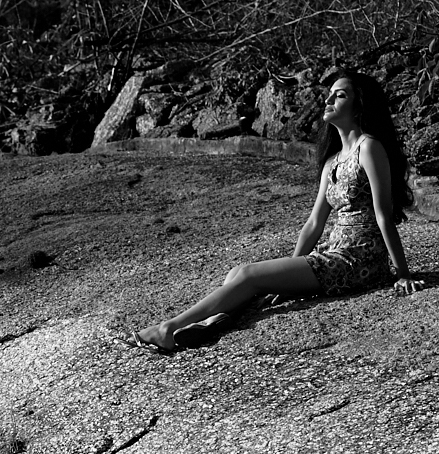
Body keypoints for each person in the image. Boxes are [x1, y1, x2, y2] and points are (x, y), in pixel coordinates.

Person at [132, 69, 423, 354]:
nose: (328, 101)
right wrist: (290, 275)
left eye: (340, 95)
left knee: (248, 274)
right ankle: (212, 322)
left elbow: (383, 215)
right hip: (334, 250)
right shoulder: (332, 161)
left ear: (359, 106)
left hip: (359, 257)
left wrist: (402, 273)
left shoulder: (369, 148)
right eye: (329, 95)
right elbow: (313, 223)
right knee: (237, 273)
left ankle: (168, 328)